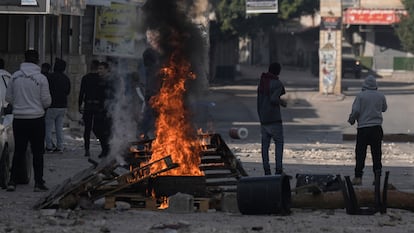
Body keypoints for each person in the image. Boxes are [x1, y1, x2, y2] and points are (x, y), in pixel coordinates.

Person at [5, 49, 51, 192]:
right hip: (36, 119)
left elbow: (8, 98)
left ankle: (12, 181)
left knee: (19, 150)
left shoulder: (14, 77)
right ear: (37, 60)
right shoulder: (41, 78)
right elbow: (46, 101)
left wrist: (20, 104)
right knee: (38, 152)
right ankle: (38, 182)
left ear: (24, 60)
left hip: (19, 119)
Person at [348, 75, 387, 186]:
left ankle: (358, 177)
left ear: (364, 85)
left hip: (363, 129)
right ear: (375, 85)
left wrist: (351, 120)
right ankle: (377, 177)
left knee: (360, 153)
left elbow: (355, 111)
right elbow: (384, 108)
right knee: (377, 153)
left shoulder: (360, 96)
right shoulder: (380, 96)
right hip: (376, 128)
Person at [257, 62, 287, 175]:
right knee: (279, 144)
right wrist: (282, 102)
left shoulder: (262, 82)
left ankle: (267, 170)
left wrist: (261, 117)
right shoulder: (277, 83)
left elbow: (259, 102)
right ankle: (278, 170)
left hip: (264, 119)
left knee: (265, 146)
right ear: (278, 71)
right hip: (274, 120)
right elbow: (274, 99)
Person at [45, 58, 71, 153]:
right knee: (59, 128)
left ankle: (49, 146)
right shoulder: (66, 78)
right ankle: (60, 146)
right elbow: (68, 91)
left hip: (52, 105)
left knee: (48, 127)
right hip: (63, 106)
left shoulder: (50, 77)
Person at [78, 60, 102, 157]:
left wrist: (79, 105)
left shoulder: (85, 78)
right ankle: (103, 148)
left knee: (87, 129)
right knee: (98, 128)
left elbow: (81, 93)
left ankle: (87, 149)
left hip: (88, 105)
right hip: (98, 106)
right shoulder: (100, 79)